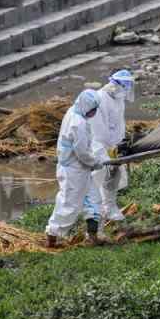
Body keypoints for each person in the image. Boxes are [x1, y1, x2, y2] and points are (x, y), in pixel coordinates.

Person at [45, 90, 108, 248]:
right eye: (93, 109)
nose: (94, 112)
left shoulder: (73, 111)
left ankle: (93, 236)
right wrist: (95, 162)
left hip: (79, 168)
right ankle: (52, 237)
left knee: (94, 200)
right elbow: (82, 152)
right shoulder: (78, 123)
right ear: (86, 107)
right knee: (69, 204)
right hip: (74, 169)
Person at [86, 70, 135, 223]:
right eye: (125, 86)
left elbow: (118, 123)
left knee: (113, 176)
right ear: (115, 85)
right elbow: (99, 129)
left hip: (113, 145)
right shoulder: (100, 98)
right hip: (99, 145)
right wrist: (108, 148)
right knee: (100, 177)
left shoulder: (118, 99)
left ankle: (110, 207)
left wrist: (120, 142)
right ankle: (99, 213)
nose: (126, 90)